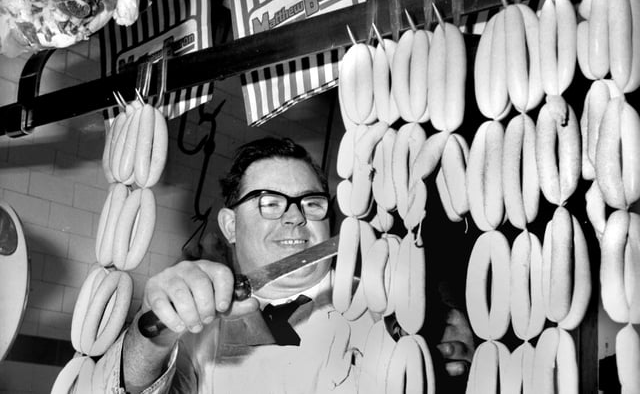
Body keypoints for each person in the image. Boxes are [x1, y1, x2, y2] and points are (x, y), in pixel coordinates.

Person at [93, 136, 475, 393]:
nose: (295, 217)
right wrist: (151, 336)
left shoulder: (392, 304)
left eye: (311, 202)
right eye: (269, 203)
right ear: (230, 225)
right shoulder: (197, 329)